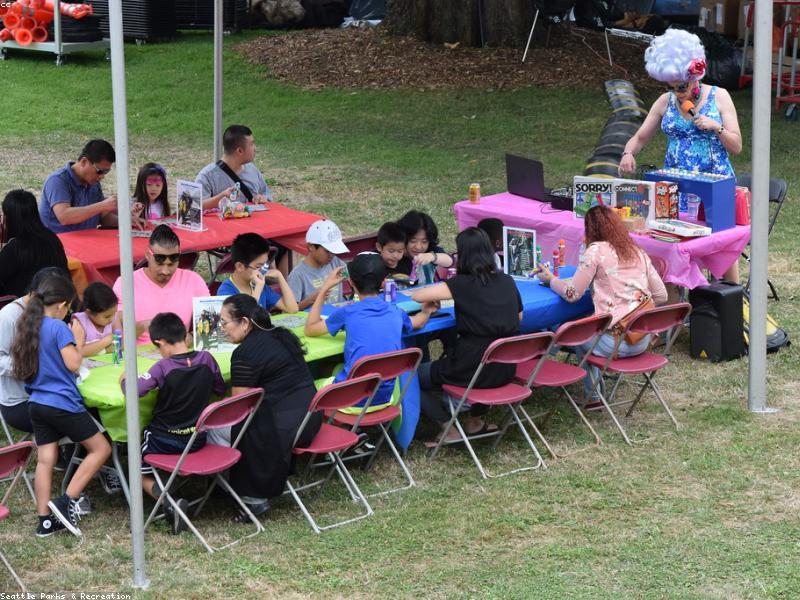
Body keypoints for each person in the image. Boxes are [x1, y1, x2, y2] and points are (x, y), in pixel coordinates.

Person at [619, 28, 742, 282]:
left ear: (695, 76)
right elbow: (640, 137)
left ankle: (732, 296)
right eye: (672, 87)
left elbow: (737, 146)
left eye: (682, 86)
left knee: (721, 245)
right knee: (675, 243)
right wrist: (628, 153)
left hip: (713, 185)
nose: (678, 92)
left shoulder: (719, 97)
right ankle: (685, 295)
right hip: (676, 186)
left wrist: (716, 127)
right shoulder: (665, 101)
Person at [11, 274, 111, 538]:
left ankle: (44, 521)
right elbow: (73, 364)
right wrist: (77, 339)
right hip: (62, 403)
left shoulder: (28, 326)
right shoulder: (58, 327)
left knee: (45, 461)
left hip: (36, 403)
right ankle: (67, 501)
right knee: (101, 448)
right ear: (63, 304)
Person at [537, 206, 668, 405]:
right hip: (642, 340)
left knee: (577, 333)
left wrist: (551, 280)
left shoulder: (595, 251)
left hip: (613, 344)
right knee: (587, 327)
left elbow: (572, 294)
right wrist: (634, 308)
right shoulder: (637, 251)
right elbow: (662, 295)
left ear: (590, 229)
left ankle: (593, 396)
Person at [211, 294, 321, 519]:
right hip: (309, 420)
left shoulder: (244, 353)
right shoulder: (281, 335)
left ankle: (248, 496)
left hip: (281, 431)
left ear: (244, 322)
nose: (221, 328)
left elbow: (237, 409)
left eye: (224, 322)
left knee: (209, 429)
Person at [412, 228, 523, 445]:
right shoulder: (507, 280)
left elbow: (418, 295)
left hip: (469, 367)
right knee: (488, 356)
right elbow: (519, 316)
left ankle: (447, 426)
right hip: (504, 369)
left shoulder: (462, 284)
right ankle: (475, 421)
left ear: (463, 255)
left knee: (408, 379)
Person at [121, 312, 225, 535]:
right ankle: (172, 483)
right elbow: (219, 389)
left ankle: (169, 501)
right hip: (196, 439)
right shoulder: (207, 359)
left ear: (160, 342)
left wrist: (124, 379)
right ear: (185, 335)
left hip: (163, 440)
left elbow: (133, 391)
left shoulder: (163, 367)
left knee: (131, 465)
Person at [305, 252, 437, 411]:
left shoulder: (348, 312)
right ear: (383, 282)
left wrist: (325, 287)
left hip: (348, 401)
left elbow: (310, 329)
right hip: (384, 399)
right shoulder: (395, 311)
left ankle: (328, 422)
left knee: (308, 383)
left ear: (350, 281)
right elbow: (418, 322)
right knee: (329, 367)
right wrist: (426, 311)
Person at [0, 267, 71, 434]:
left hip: (51, 392)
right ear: (34, 294)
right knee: (77, 418)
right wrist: (32, 366)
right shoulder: (8, 316)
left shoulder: (53, 313)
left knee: (89, 409)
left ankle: (71, 449)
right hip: (20, 400)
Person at [112, 225, 209, 344]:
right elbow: (117, 334)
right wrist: (142, 327)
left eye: (171, 264)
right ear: (147, 255)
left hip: (178, 350)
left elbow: (210, 322)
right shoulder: (125, 283)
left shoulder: (193, 280)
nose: (165, 271)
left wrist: (192, 336)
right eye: (159, 264)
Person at [40, 139, 121, 233]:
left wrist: (127, 221)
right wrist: (102, 205)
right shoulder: (58, 180)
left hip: (86, 239)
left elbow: (103, 216)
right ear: (84, 162)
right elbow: (64, 217)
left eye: (106, 172)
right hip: (57, 240)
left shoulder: (93, 182)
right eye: (99, 171)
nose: (102, 176)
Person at [0, 189, 68, 298]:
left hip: (25, 303)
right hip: (56, 298)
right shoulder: (52, 238)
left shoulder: (16, 247)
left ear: (10, 219)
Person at [217, 233, 298, 313]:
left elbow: (292, 308)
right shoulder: (226, 291)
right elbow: (245, 317)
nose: (263, 270)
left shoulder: (261, 286)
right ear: (240, 266)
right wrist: (258, 289)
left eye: (265, 265)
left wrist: (280, 276)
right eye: (258, 266)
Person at [195, 125, 271, 210]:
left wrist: (262, 198)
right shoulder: (207, 176)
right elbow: (196, 206)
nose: (255, 148)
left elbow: (266, 194)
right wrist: (221, 197)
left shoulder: (252, 169)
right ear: (240, 151)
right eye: (252, 144)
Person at [287, 219, 350, 310]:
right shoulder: (297, 275)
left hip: (337, 314)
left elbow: (349, 277)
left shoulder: (335, 262)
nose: (332, 255)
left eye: (334, 251)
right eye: (327, 251)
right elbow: (292, 310)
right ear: (311, 247)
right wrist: (311, 299)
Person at [396, 210, 454, 285]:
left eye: (424, 241)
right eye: (413, 241)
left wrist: (432, 256)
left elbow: (449, 261)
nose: (418, 247)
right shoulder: (394, 254)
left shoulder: (430, 250)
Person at [71, 282, 121, 357]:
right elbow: (78, 351)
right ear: (89, 312)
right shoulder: (80, 322)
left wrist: (101, 350)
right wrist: (106, 341)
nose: (112, 318)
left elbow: (121, 345)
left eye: (114, 313)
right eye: (107, 316)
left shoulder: (114, 318)